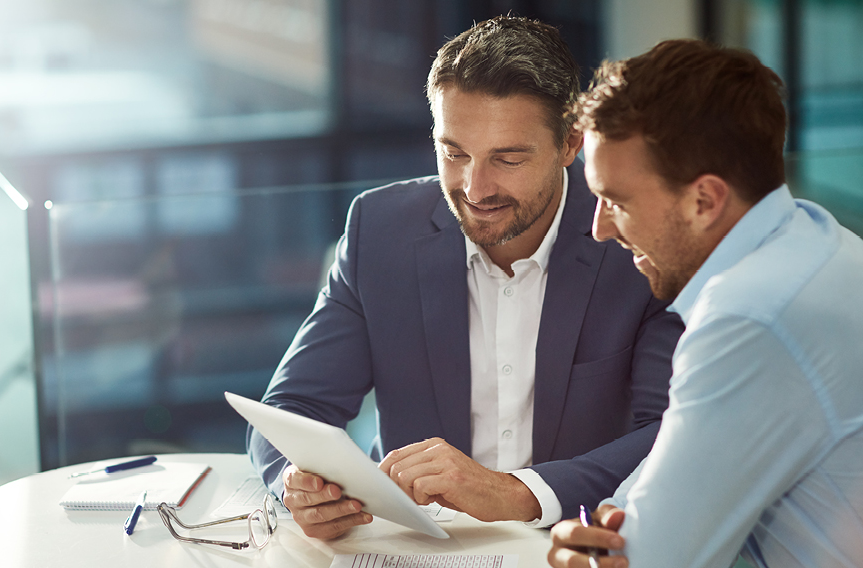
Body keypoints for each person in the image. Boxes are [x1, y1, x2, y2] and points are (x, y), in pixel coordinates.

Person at [248, 16, 684, 540]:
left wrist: (516, 493)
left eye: (508, 158)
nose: (475, 188)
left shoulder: (634, 242)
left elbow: (670, 433)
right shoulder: (379, 231)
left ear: (570, 144)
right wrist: (299, 483)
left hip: (571, 540)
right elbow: (292, 408)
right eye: (453, 153)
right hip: (411, 544)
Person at [547, 39, 863, 568]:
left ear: (704, 201)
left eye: (616, 201)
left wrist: (586, 548)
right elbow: (635, 509)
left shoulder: (751, 317)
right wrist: (601, 528)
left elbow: (647, 561)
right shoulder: (817, 238)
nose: (599, 228)